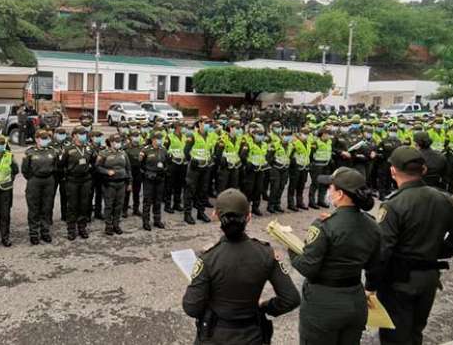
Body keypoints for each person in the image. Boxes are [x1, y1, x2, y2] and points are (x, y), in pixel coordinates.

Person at [366, 146, 453, 345]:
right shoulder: (443, 198)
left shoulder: (393, 205)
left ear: (393, 171)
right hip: (428, 278)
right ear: (423, 170)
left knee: (394, 337)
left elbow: (383, 251)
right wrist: (434, 252)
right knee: (416, 332)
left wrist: (370, 285)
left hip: (398, 282)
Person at [183, 188, 300, 345]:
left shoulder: (208, 258)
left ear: (215, 216)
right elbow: (291, 299)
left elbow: (191, 307)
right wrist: (264, 307)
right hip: (252, 335)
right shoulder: (266, 253)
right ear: (249, 217)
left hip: (215, 336)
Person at [290, 167, 381, 345]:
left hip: (323, 305)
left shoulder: (325, 225)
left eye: (331, 188)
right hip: (355, 300)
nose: (329, 191)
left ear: (340, 194)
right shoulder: (372, 225)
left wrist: (291, 248)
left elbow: (308, 267)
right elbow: (375, 266)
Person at [22, 130, 58, 245]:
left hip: (49, 181)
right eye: (43, 138)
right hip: (34, 181)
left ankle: (45, 232)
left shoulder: (52, 151)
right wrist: (32, 178)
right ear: (37, 139)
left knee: (47, 207)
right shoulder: (30, 152)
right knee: (34, 208)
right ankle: (34, 234)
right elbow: (25, 170)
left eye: (47, 138)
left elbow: (56, 166)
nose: (45, 140)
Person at [61, 126, 95, 240]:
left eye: (85, 134)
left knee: (84, 205)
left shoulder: (89, 148)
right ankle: (71, 230)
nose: (84, 136)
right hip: (72, 180)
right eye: (81, 134)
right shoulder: (68, 149)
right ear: (74, 135)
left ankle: (82, 228)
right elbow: (61, 165)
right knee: (72, 206)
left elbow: (94, 162)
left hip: (86, 180)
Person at [96, 134, 132, 235]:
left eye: (119, 141)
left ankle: (116, 224)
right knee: (109, 205)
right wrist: (107, 172)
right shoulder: (103, 153)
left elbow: (128, 169)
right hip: (109, 184)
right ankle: (108, 226)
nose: (118, 143)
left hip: (121, 183)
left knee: (119, 205)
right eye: (116, 141)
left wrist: (129, 182)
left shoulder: (123, 153)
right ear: (111, 142)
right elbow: (97, 167)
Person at [138, 131, 169, 231]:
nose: (160, 140)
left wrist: (164, 171)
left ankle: (157, 220)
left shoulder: (163, 149)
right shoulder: (146, 150)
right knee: (147, 201)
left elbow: (167, 163)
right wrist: (146, 174)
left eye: (161, 138)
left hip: (160, 178)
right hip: (149, 179)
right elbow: (140, 164)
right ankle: (146, 222)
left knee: (158, 200)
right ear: (153, 139)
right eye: (158, 139)